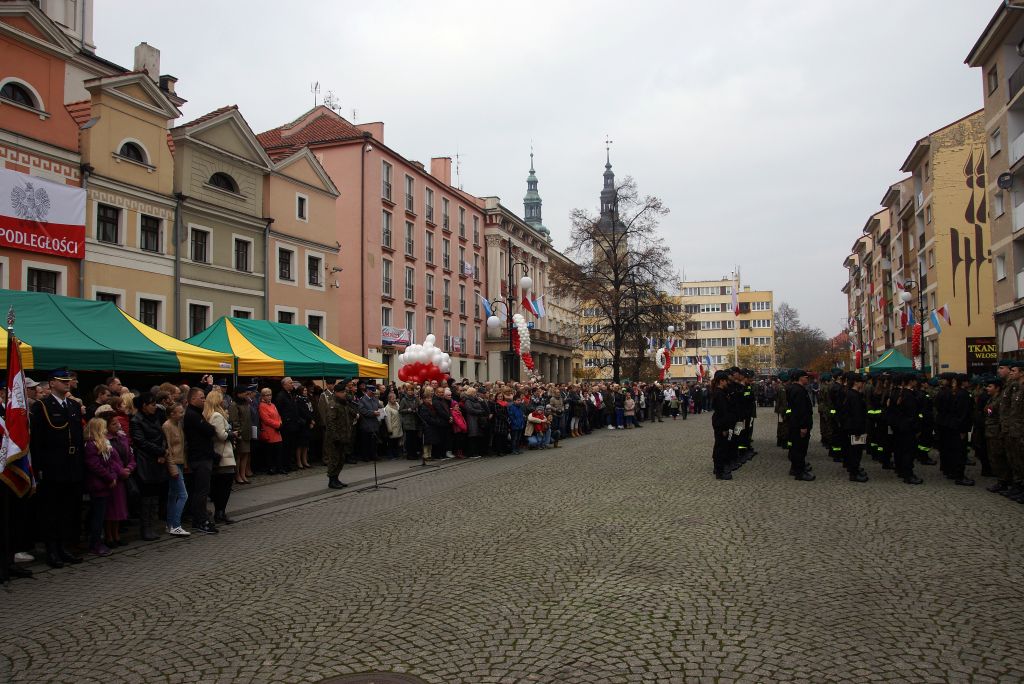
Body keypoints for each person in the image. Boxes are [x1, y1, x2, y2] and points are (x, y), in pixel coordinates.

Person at [129, 393, 168, 541]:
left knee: (154, 496)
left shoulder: (157, 417)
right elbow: (140, 442)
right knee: (146, 496)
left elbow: (163, 436)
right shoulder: (136, 420)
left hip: (158, 460)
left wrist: (163, 450)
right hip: (145, 461)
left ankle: (152, 526)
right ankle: (145, 528)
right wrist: (160, 451)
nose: (154, 407)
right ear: (144, 406)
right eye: (151, 404)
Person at [95, 404, 134, 547]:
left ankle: (117, 535)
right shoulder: (105, 440)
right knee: (111, 510)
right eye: (114, 423)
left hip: (123, 477)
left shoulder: (122, 438)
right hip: (113, 479)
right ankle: (109, 536)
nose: (118, 425)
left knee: (120, 508)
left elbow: (130, 455)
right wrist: (120, 471)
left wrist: (129, 467)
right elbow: (110, 460)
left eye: (118, 422)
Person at [82, 417, 120, 556]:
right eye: (103, 427)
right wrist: (109, 477)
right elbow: (95, 466)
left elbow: (109, 463)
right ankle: (95, 543)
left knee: (101, 514)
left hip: (105, 484)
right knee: (97, 516)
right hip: (97, 485)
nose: (105, 430)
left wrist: (113, 476)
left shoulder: (103, 444)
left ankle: (98, 541)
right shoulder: (91, 445)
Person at [183, 387, 218, 534]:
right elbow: (210, 430)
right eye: (201, 397)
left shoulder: (197, 413)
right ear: (192, 399)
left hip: (203, 455)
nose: (204, 400)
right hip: (199, 457)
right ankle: (200, 520)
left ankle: (200, 517)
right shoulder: (192, 414)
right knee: (201, 491)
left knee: (201, 490)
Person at [162, 403, 190, 536]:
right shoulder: (167, 426)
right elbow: (167, 448)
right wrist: (172, 467)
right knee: (183, 495)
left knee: (173, 495)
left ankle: (170, 524)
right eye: (180, 412)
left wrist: (183, 463)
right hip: (172, 463)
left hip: (179, 462)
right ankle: (176, 524)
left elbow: (181, 445)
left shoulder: (178, 424)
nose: (182, 414)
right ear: (172, 414)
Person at [324, 383, 357, 488]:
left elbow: (349, 413)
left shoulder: (343, 404)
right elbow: (331, 422)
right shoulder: (333, 404)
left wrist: (355, 414)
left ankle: (336, 478)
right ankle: (331, 480)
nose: (344, 394)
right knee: (334, 459)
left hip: (344, 436)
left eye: (345, 392)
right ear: (337, 392)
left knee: (341, 459)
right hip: (335, 438)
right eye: (342, 392)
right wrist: (335, 437)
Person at [786, 370, 815, 481]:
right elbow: (801, 410)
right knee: (799, 448)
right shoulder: (798, 390)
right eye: (805, 377)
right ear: (800, 378)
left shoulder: (795, 389)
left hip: (795, 423)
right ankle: (799, 472)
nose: (807, 379)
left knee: (797, 447)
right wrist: (803, 426)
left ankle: (795, 468)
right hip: (799, 424)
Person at [840, 373, 869, 483]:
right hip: (856, 428)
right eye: (861, 381)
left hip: (853, 427)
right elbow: (856, 415)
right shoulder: (854, 396)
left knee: (855, 451)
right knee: (856, 452)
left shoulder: (852, 394)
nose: (863, 383)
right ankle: (854, 473)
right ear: (856, 382)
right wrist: (858, 430)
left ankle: (855, 470)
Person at [710, 370, 735, 480]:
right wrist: (725, 428)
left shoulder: (720, 392)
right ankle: (719, 471)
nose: (727, 383)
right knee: (721, 447)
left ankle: (718, 468)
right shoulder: (719, 394)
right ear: (721, 381)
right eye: (726, 381)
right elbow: (723, 411)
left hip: (720, 422)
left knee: (720, 446)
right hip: (720, 423)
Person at [229, 385, 255, 484]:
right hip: (240, 434)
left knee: (246, 455)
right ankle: (237, 475)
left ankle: (243, 474)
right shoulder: (234, 405)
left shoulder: (246, 403)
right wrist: (238, 432)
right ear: (238, 394)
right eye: (245, 393)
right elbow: (234, 420)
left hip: (247, 432)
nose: (246, 394)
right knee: (239, 456)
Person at [274, 377, 300, 473]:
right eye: (290, 383)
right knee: (285, 447)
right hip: (286, 426)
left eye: (292, 383)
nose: (292, 384)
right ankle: (284, 466)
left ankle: (289, 464)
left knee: (291, 446)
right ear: (284, 385)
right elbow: (279, 411)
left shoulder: (290, 394)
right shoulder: (281, 396)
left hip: (292, 425)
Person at [258, 387, 284, 476]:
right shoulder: (262, 406)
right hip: (269, 431)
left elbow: (278, 415)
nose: (269, 397)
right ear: (263, 396)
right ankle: (271, 468)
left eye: (270, 395)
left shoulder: (273, 405)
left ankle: (279, 467)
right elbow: (266, 419)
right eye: (267, 395)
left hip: (277, 431)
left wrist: (280, 423)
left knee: (279, 451)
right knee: (270, 452)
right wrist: (277, 425)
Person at [417, 386, 445, 461]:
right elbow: (427, 418)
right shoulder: (423, 407)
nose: (429, 399)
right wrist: (435, 421)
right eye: (427, 398)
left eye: (430, 398)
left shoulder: (431, 406)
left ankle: (429, 455)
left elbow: (434, 415)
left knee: (430, 442)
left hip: (432, 426)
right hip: (427, 426)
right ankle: (426, 455)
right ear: (424, 399)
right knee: (426, 442)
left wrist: (436, 421)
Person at [356, 384, 383, 461]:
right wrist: (372, 413)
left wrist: (381, 411)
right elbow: (362, 411)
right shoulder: (362, 400)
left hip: (375, 424)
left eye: (374, 392)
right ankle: (365, 456)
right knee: (366, 442)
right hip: (366, 424)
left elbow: (379, 407)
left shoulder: (375, 399)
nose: (373, 394)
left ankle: (374, 455)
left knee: (374, 442)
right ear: (367, 391)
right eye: (372, 392)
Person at [294, 384, 314, 470]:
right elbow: (302, 412)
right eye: (304, 391)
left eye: (306, 390)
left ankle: (305, 460)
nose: (305, 392)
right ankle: (299, 461)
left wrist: (312, 420)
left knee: (306, 444)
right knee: (300, 444)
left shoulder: (307, 399)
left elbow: (311, 410)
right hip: (302, 424)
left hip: (308, 424)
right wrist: (309, 420)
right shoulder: (298, 400)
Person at [383, 392, 404, 459]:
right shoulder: (387, 408)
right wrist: (390, 429)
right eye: (393, 399)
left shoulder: (397, 405)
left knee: (396, 442)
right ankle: (390, 455)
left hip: (398, 426)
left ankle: (396, 454)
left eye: (395, 398)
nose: (395, 400)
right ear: (389, 399)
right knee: (391, 443)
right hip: (392, 427)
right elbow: (387, 420)